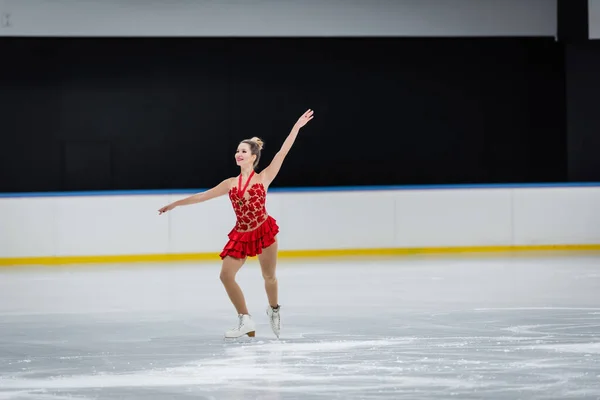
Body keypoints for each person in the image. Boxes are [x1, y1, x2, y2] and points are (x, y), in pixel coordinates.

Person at [158, 109, 314, 339]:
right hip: (241, 234)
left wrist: (297, 127)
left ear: (253, 156)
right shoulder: (230, 183)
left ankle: (274, 310)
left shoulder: (264, 177)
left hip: (263, 230)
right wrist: (175, 204)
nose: (238, 154)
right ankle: (245, 320)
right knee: (225, 275)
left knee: (269, 276)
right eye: (237, 151)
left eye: (243, 151)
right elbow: (202, 196)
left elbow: (283, 152)